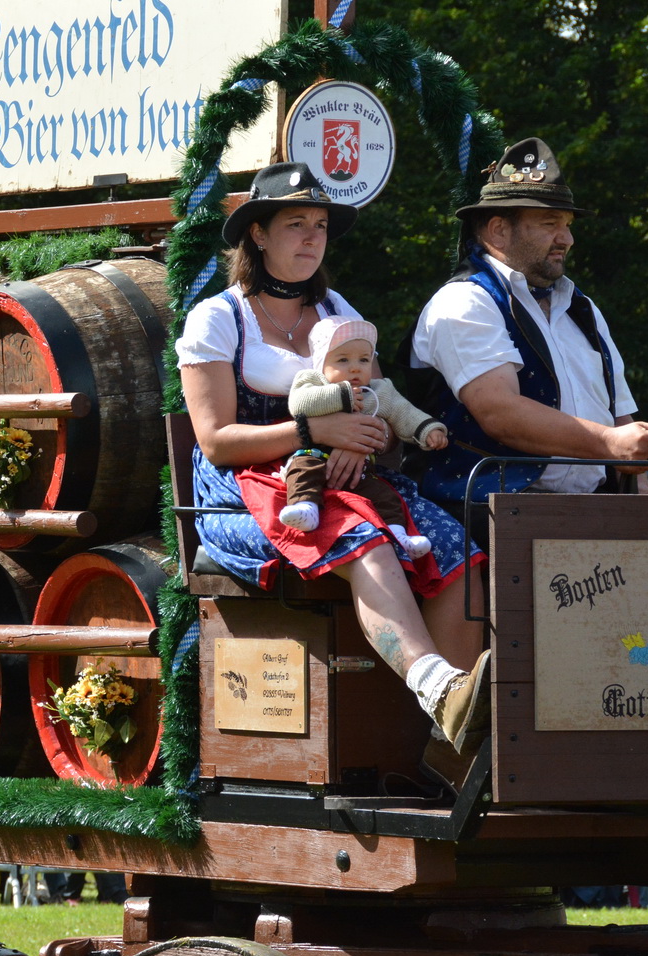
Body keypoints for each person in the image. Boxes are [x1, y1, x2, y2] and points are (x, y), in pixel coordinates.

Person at [177, 162, 489, 767]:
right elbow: (216, 442)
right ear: (258, 234)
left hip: (349, 480)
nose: (312, 237)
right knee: (365, 541)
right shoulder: (218, 317)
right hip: (248, 491)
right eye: (295, 224)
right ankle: (438, 687)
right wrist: (313, 432)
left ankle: (449, 745)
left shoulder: (338, 309)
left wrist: (357, 440)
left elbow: (376, 402)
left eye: (320, 225)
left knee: (458, 550)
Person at [406, 138, 648, 512]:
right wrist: (609, 443)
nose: (567, 239)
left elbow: (618, 417)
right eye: (550, 223)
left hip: (592, 512)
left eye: (567, 225)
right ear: (498, 230)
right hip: (482, 516)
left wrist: (641, 487)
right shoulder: (464, 301)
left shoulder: (583, 308)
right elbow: (500, 413)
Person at [273, 317, 449, 561]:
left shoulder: (379, 391)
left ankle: (399, 535)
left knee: (386, 496)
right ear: (321, 361)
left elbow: (404, 412)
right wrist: (342, 396)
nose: (355, 368)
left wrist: (428, 429)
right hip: (316, 455)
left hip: (360, 471)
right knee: (301, 470)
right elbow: (299, 405)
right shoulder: (312, 381)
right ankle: (305, 508)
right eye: (343, 360)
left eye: (363, 360)